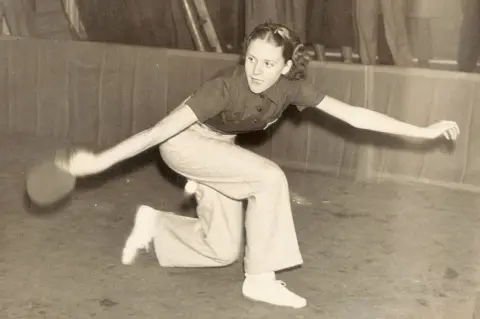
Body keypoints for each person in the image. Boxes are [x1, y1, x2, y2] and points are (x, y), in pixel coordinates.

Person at [57, 23, 459, 309]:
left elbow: (355, 115)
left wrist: (423, 131)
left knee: (223, 249)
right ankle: (261, 280)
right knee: (269, 179)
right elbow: (158, 132)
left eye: (268, 63)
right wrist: (100, 161)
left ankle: (156, 227)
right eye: (251, 59)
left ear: (286, 66)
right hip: (183, 144)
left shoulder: (292, 89)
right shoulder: (225, 88)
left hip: (219, 151)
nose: (256, 70)